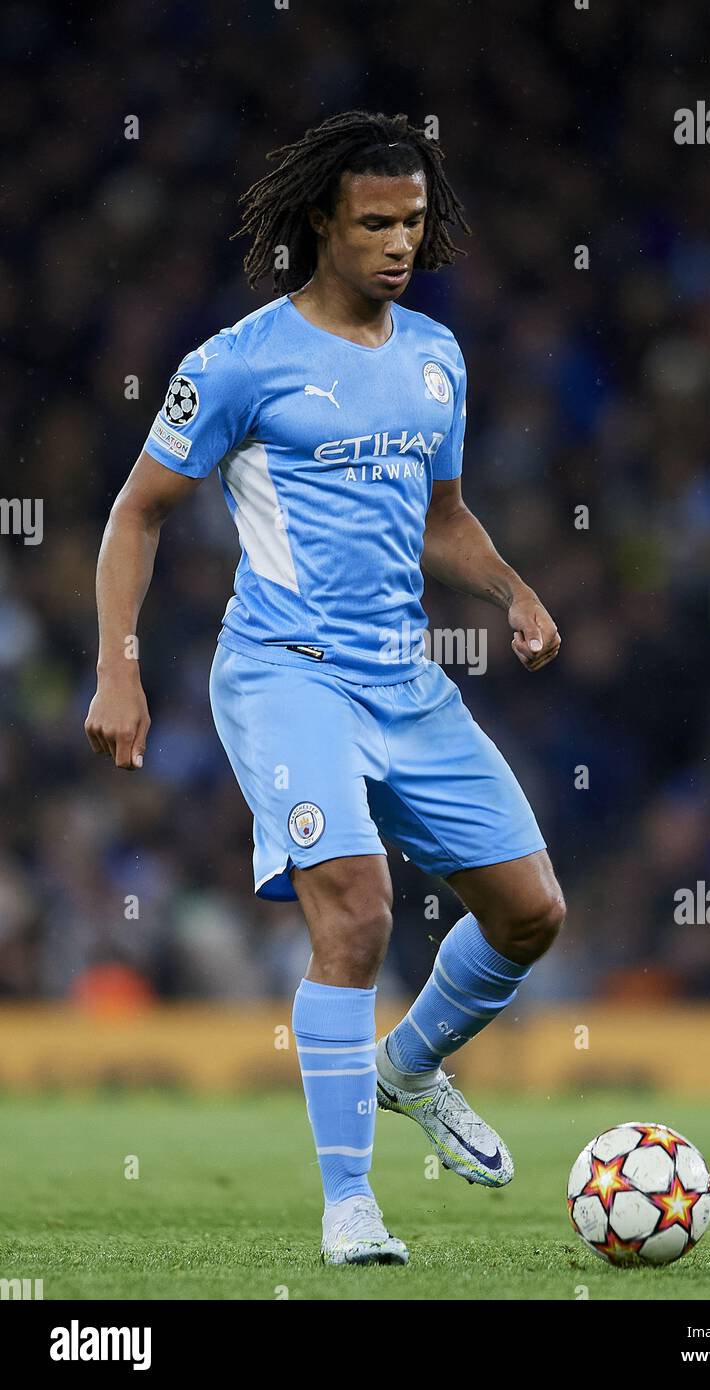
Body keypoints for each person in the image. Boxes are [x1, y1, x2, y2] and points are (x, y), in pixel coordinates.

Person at [85, 110, 566, 1266]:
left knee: (531, 912)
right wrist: (118, 665)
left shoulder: (436, 358)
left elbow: (441, 519)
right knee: (355, 907)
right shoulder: (237, 362)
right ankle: (349, 1203)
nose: (399, 243)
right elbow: (136, 510)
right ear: (322, 223)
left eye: (412, 222)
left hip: (402, 677)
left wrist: (510, 591)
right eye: (375, 223)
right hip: (284, 673)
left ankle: (408, 1066)